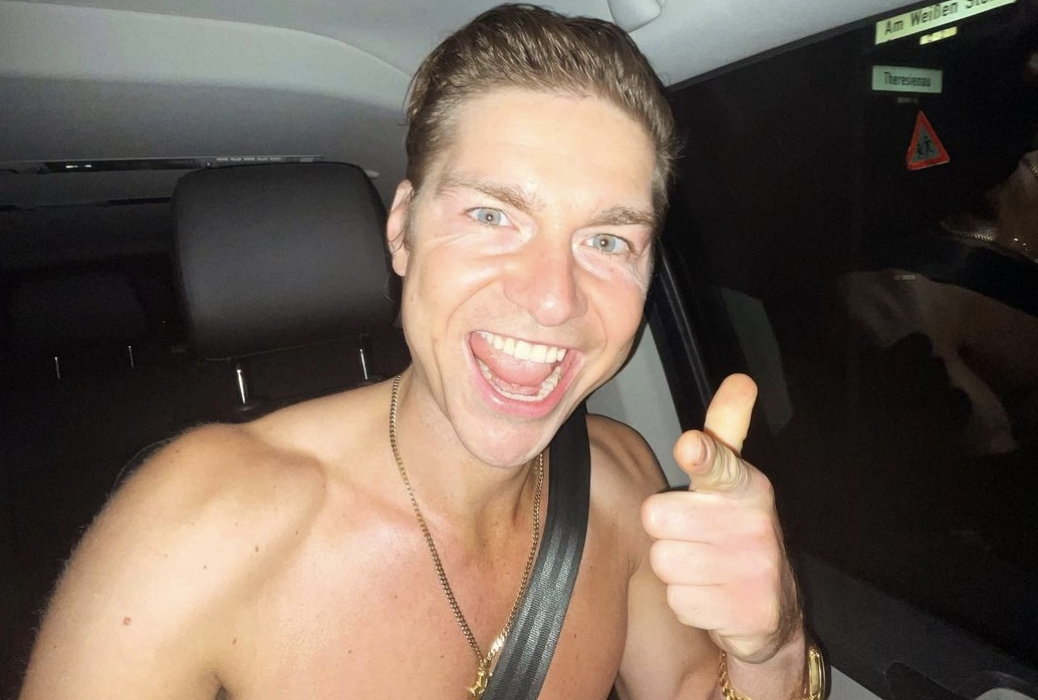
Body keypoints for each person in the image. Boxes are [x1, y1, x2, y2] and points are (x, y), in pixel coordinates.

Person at [18, 5, 813, 699]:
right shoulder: (194, 528)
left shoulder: (621, 483)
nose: (552, 299)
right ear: (402, 230)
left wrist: (772, 647)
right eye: (492, 216)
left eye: (607, 240)